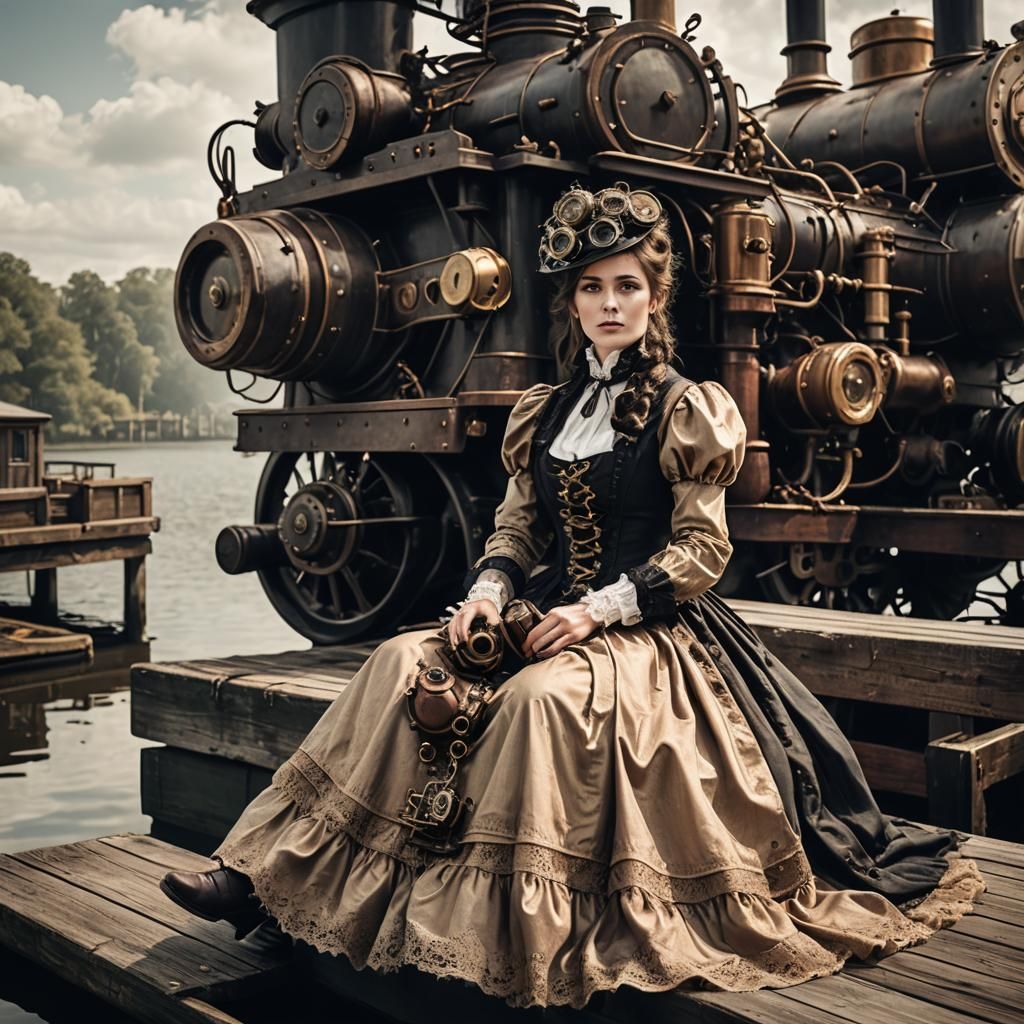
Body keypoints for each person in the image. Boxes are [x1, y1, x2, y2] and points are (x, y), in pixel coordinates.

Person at [160, 182, 984, 1010]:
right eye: (593, 287)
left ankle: (498, 932)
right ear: (574, 303)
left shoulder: (688, 408)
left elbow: (703, 550)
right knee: (398, 661)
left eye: (627, 285)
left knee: (538, 704)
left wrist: (598, 609)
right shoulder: (547, 411)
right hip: (541, 611)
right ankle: (260, 879)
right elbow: (518, 529)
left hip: (646, 627)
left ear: (655, 297)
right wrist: (488, 591)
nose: (610, 303)